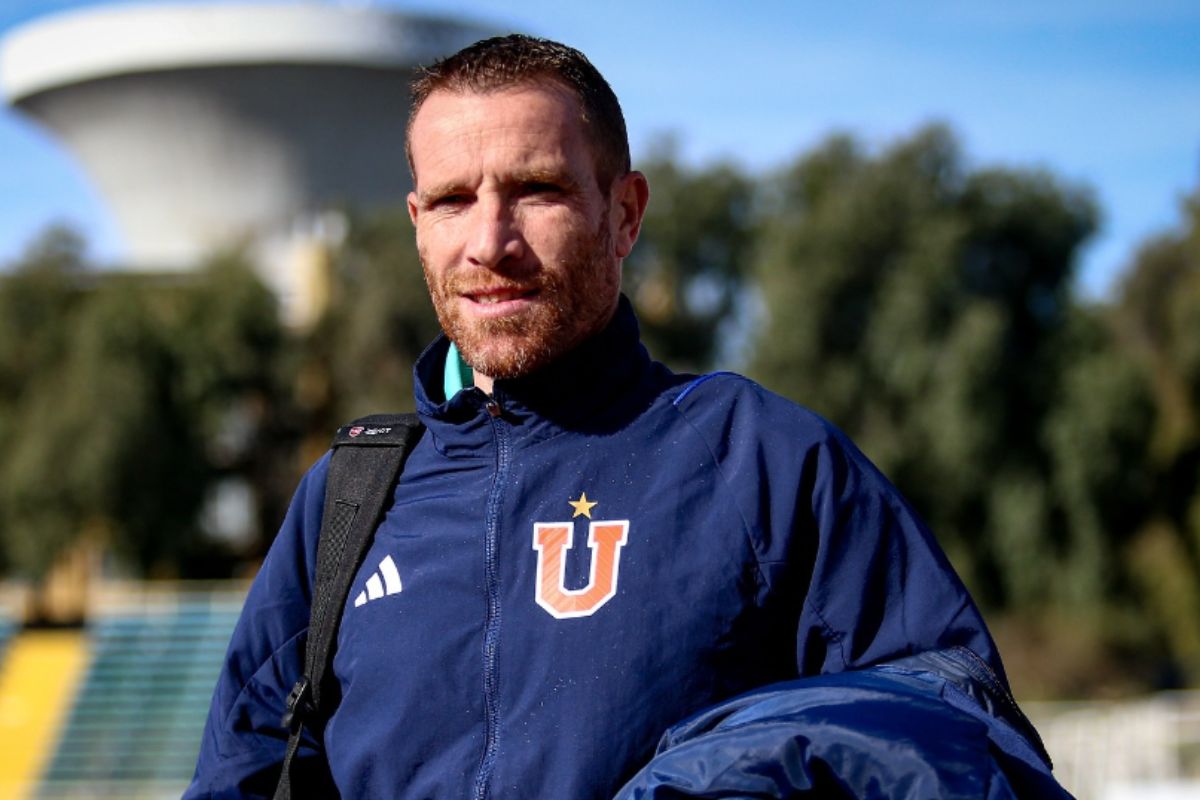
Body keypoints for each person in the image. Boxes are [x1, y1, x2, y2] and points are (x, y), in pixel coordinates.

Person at [187, 35, 1066, 799]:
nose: (490, 242)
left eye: (537, 190)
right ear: (419, 225)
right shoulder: (347, 500)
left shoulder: (758, 459)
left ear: (625, 214)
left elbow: (956, 728)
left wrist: (725, 777)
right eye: (454, 200)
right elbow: (240, 778)